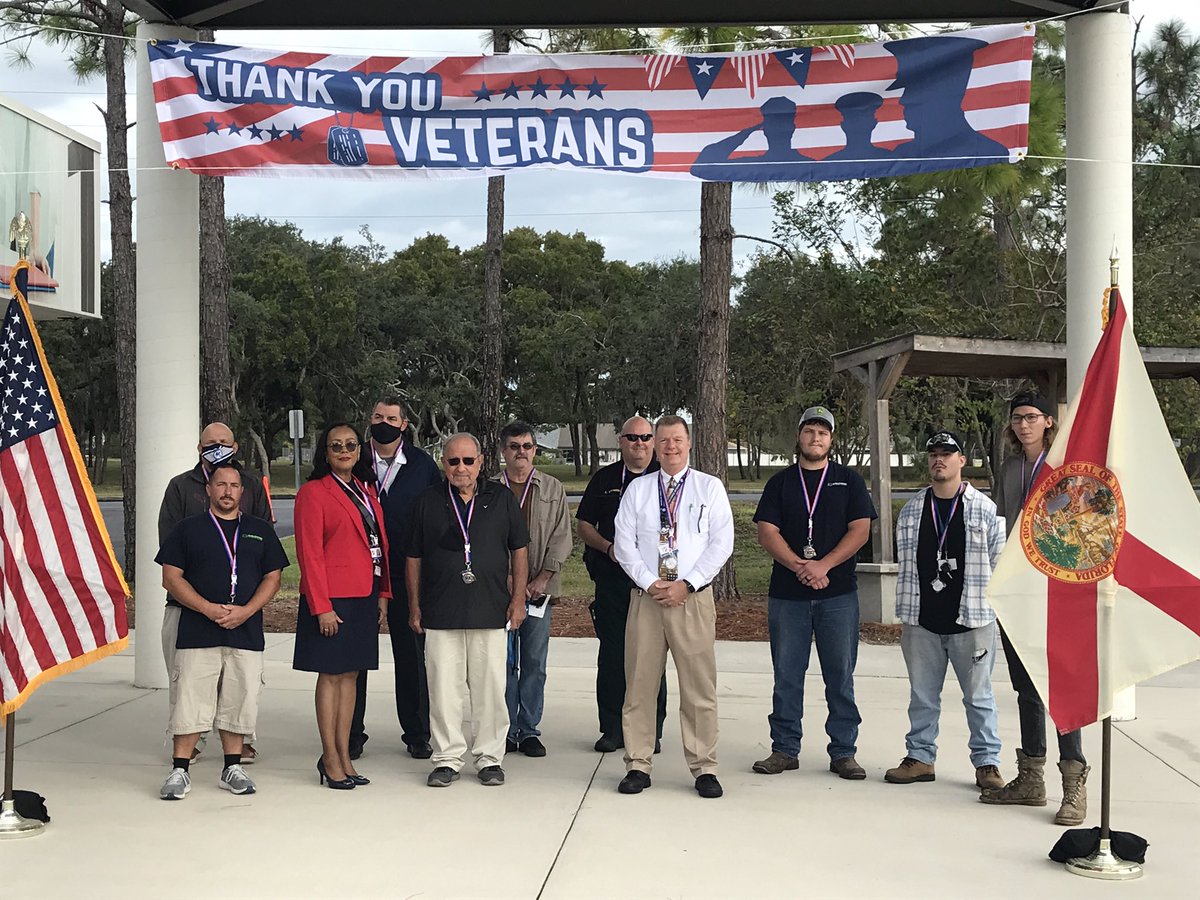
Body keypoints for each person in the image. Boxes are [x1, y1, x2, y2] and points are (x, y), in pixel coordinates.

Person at [751, 406, 876, 780]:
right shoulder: (780, 483)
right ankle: (784, 749)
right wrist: (800, 566)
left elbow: (860, 530)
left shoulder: (848, 481)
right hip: (788, 596)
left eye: (822, 432)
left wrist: (823, 566)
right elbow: (767, 532)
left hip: (838, 596)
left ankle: (843, 752)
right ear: (799, 436)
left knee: (840, 676)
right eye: (809, 431)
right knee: (787, 676)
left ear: (831, 440)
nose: (815, 438)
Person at [613, 415, 734, 799]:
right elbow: (624, 544)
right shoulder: (638, 490)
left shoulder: (708, 487)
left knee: (699, 688)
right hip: (647, 600)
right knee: (639, 685)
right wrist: (650, 582)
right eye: (663, 440)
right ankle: (637, 763)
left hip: (692, 600)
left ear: (689, 443)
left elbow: (722, 542)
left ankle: (704, 767)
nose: (670, 447)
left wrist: (687, 584)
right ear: (654, 445)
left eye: (677, 440)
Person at [983, 392, 1089, 824]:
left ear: (1048, 421)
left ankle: (1073, 782)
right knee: (1025, 686)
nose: (1023, 425)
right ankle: (1031, 778)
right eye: (1017, 418)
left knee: (1060, 686)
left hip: (1058, 586)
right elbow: (1004, 524)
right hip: (1018, 586)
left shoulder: (1064, 466)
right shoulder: (1010, 468)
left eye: (1031, 417)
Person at [154, 460, 288, 800]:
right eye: (221, 484)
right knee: (190, 699)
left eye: (234, 485)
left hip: (245, 630)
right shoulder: (187, 529)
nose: (227, 491)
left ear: (242, 492)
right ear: (208, 490)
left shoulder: (259, 530)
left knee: (239, 699)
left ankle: (232, 768)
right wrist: (207, 608)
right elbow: (171, 577)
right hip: (198, 630)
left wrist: (246, 611)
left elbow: (273, 577)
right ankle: (180, 770)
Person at [406, 433, 530, 788]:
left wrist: (517, 600)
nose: (461, 468)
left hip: (490, 609)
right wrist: (414, 606)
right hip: (440, 611)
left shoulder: (501, 498)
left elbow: (519, 550)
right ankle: (447, 758)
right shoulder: (427, 501)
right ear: (443, 464)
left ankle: (490, 758)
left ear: (480, 462)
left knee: (490, 688)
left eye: (468, 461)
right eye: (453, 461)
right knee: (443, 690)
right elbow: (413, 557)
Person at [886, 431, 1006, 791]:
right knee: (922, 696)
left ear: (961, 461)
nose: (939, 460)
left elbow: (999, 562)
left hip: (972, 620)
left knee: (979, 697)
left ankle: (987, 763)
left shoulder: (984, 509)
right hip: (922, 619)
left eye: (947, 453)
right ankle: (920, 757)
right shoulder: (912, 510)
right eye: (934, 454)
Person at [157, 422, 272, 764]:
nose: (217, 446)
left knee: (240, 681)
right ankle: (191, 739)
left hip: (241, 608)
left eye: (223, 441)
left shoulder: (250, 484)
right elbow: (170, 545)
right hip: (188, 606)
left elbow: (264, 539)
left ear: (235, 447)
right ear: (199, 448)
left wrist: (245, 603)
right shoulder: (180, 486)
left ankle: (241, 739)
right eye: (210, 442)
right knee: (187, 680)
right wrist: (203, 603)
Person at [292, 423, 390, 791]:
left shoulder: (366, 490)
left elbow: (378, 546)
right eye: (336, 446)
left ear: (359, 451)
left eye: (350, 445)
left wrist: (383, 594)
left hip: (364, 595)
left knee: (351, 677)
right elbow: (310, 554)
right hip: (331, 600)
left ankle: (345, 755)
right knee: (331, 677)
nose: (344, 451)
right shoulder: (313, 493)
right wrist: (321, 607)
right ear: (326, 452)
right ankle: (329, 757)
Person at [349, 397, 441, 761]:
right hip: (361, 573)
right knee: (355, 656)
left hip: (408, 573)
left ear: (404, 424)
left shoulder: (422, 465)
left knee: (412, 657)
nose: (383, 423)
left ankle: (417, 733)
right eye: (377, 416)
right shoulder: (354, 459)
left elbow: (436, 515)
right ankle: (351, 733)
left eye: (391, 418)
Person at [576, 415, 667, 753]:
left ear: (653, 441)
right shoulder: (605, 479)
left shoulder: (665, 478)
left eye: (645, 438)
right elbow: (584, 524)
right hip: (613, 581)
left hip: (654, 584)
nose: (639, 444)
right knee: (613, 655)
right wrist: (608, 548)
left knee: (652, 657)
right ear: (621, 441)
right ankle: (612, 729)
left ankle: (651, 730)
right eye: (632, 438)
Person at [494, 422, 573, 757]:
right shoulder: (490, 489)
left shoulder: (552, 488)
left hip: (540, 593)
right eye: (514, 446)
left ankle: (528, 730)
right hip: (499, 592)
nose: (521, 452)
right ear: (503, 451)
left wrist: (541, 579)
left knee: (534, 662)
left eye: (527, 446)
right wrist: (508, 580)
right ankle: (505, 729)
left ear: (535, 450)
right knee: (502, 663)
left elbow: (562, 537)